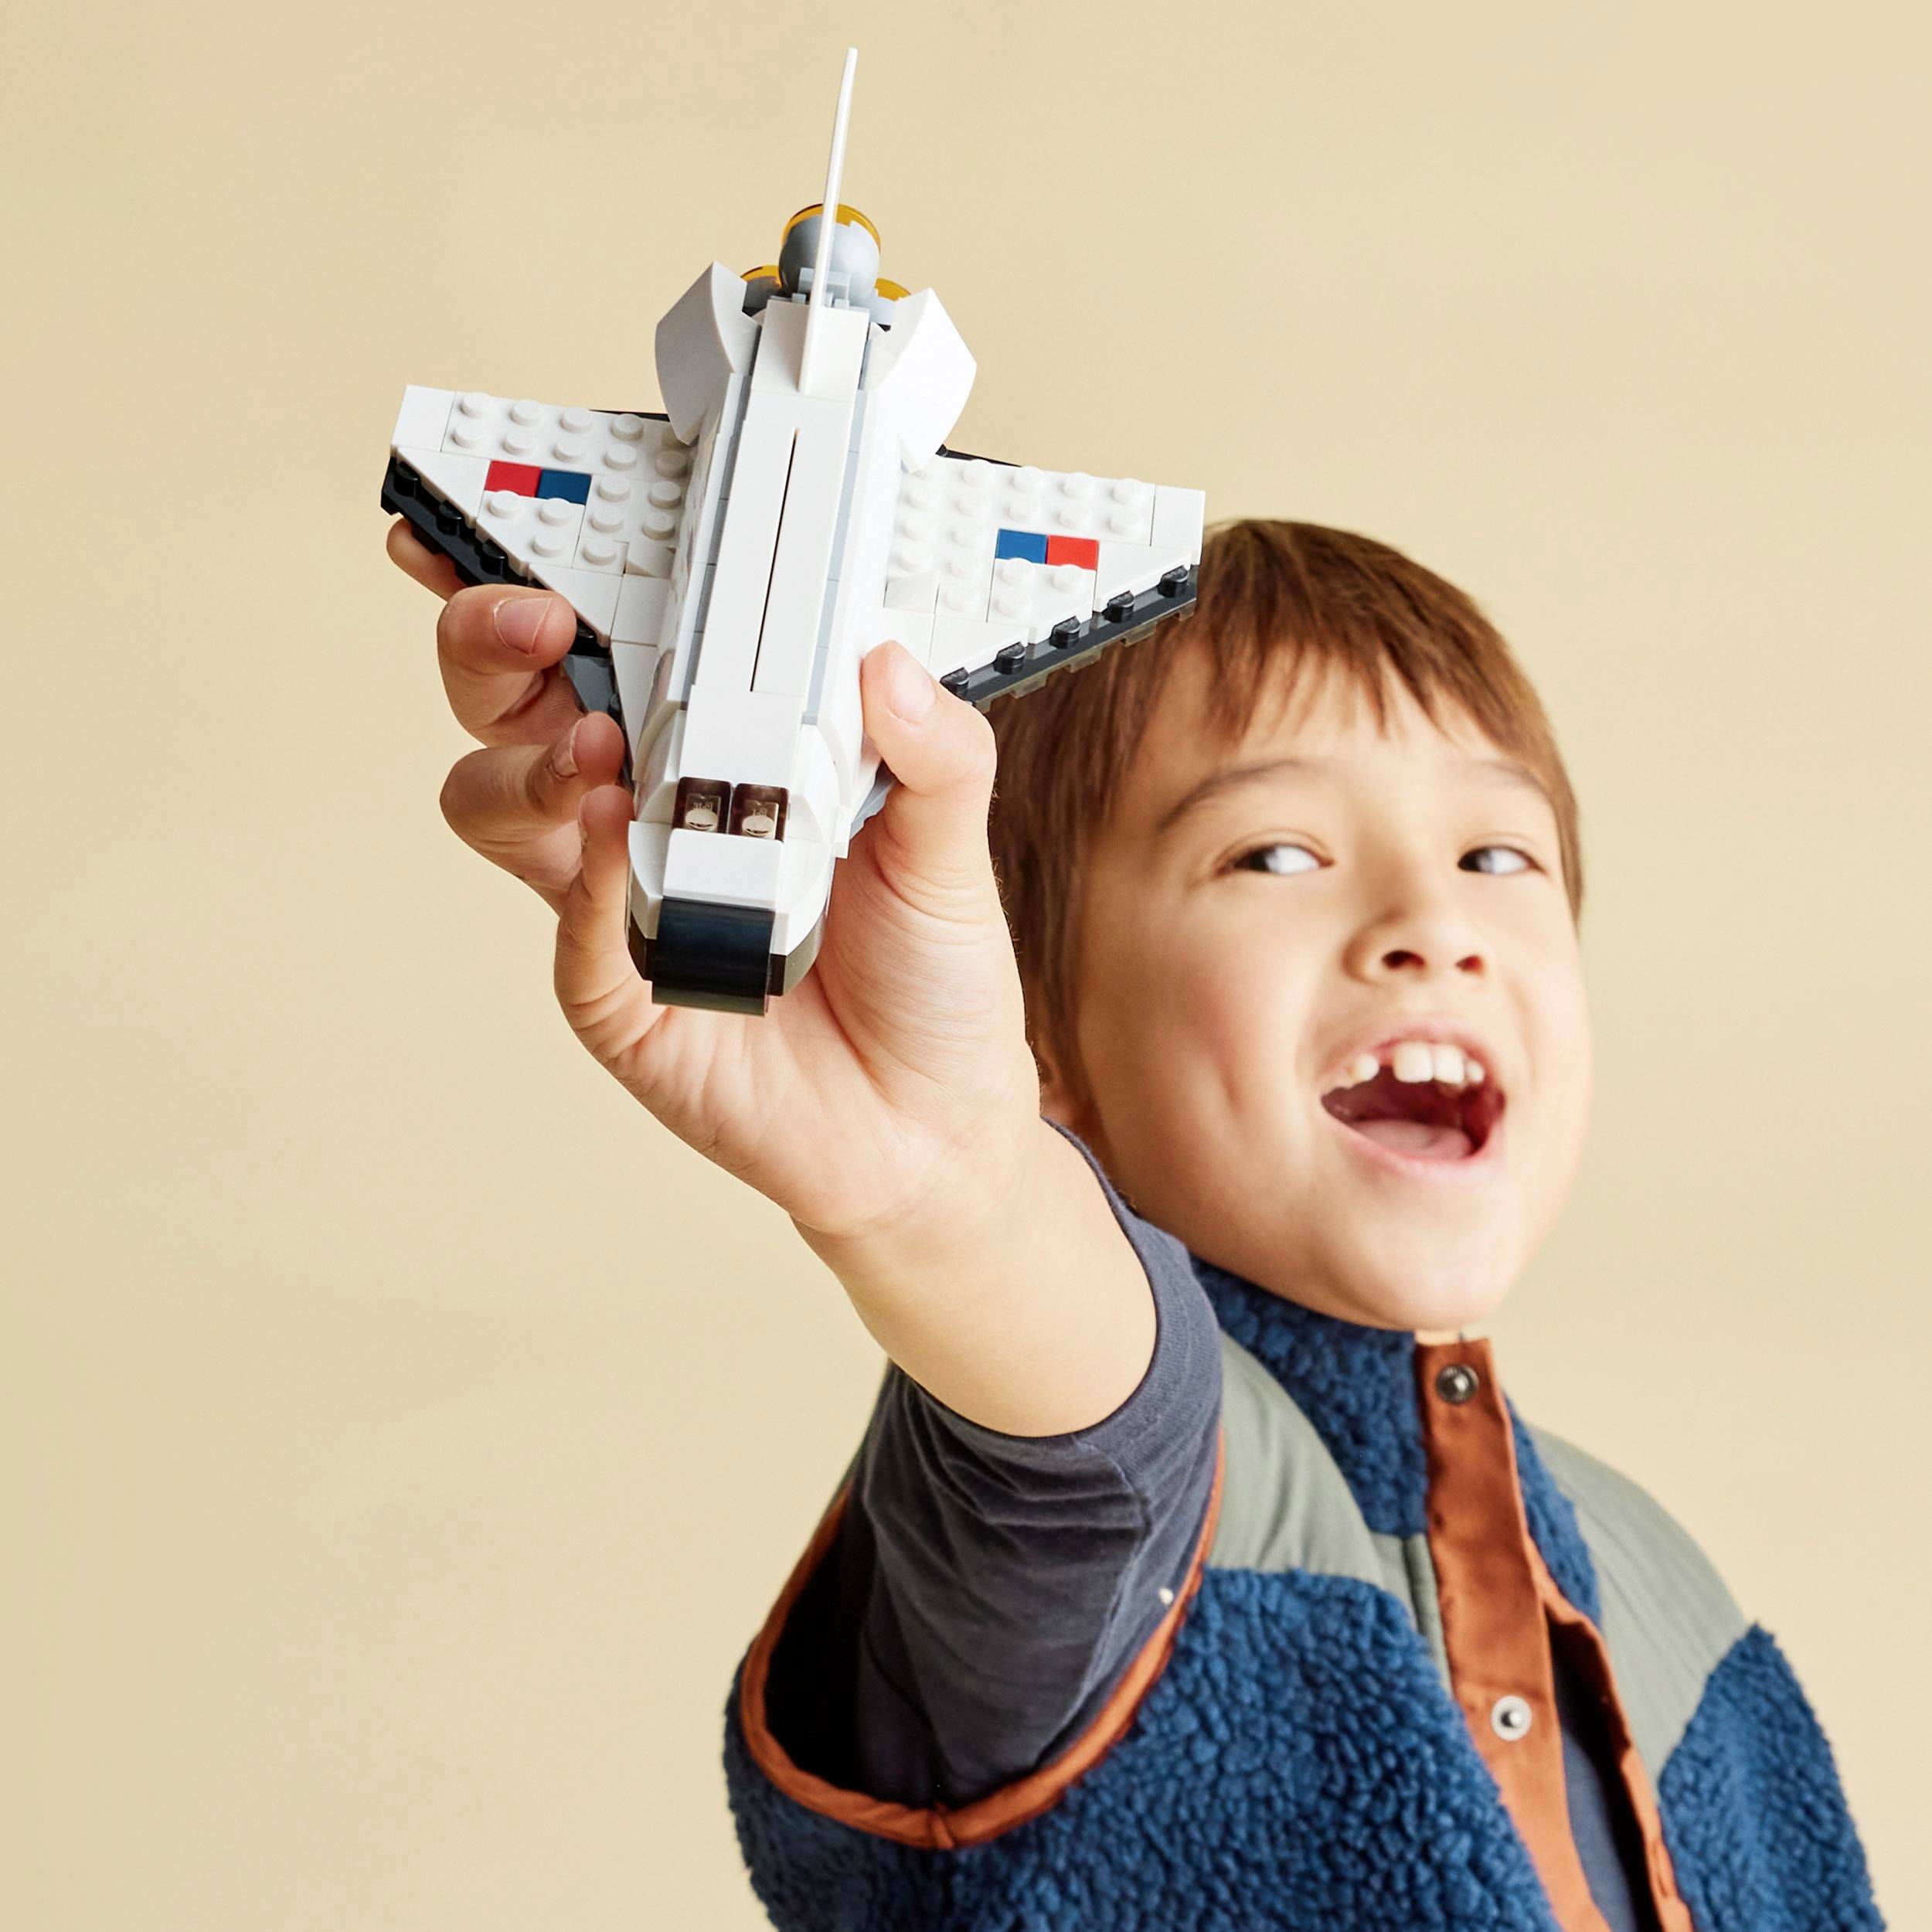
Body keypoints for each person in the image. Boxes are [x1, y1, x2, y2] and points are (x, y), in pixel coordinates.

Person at [386, 514, 1883, 1930]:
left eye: (1497, 854)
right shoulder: (1097, 1474)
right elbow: (1054, 1340)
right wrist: (936, 1171)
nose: (1431, 920)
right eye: (1273, 854)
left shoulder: (1658, 1581)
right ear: (1033, 1033)